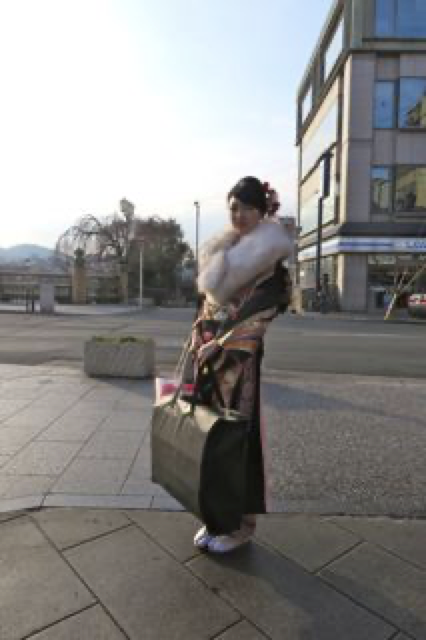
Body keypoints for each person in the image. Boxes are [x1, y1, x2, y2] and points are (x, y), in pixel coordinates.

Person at [190, 176, 293, 553]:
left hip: (238, 360)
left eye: (247, 208)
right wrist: (199, 335)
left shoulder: (270, 261)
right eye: (234, 207)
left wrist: (219, 343)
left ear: (262, 211)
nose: (239, 215)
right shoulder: (223, 249)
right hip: (209, 356)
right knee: (210, 437)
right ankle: (214, 518)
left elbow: (264, 311)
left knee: (237, 439)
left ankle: (241, 526)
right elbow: (206, 306)